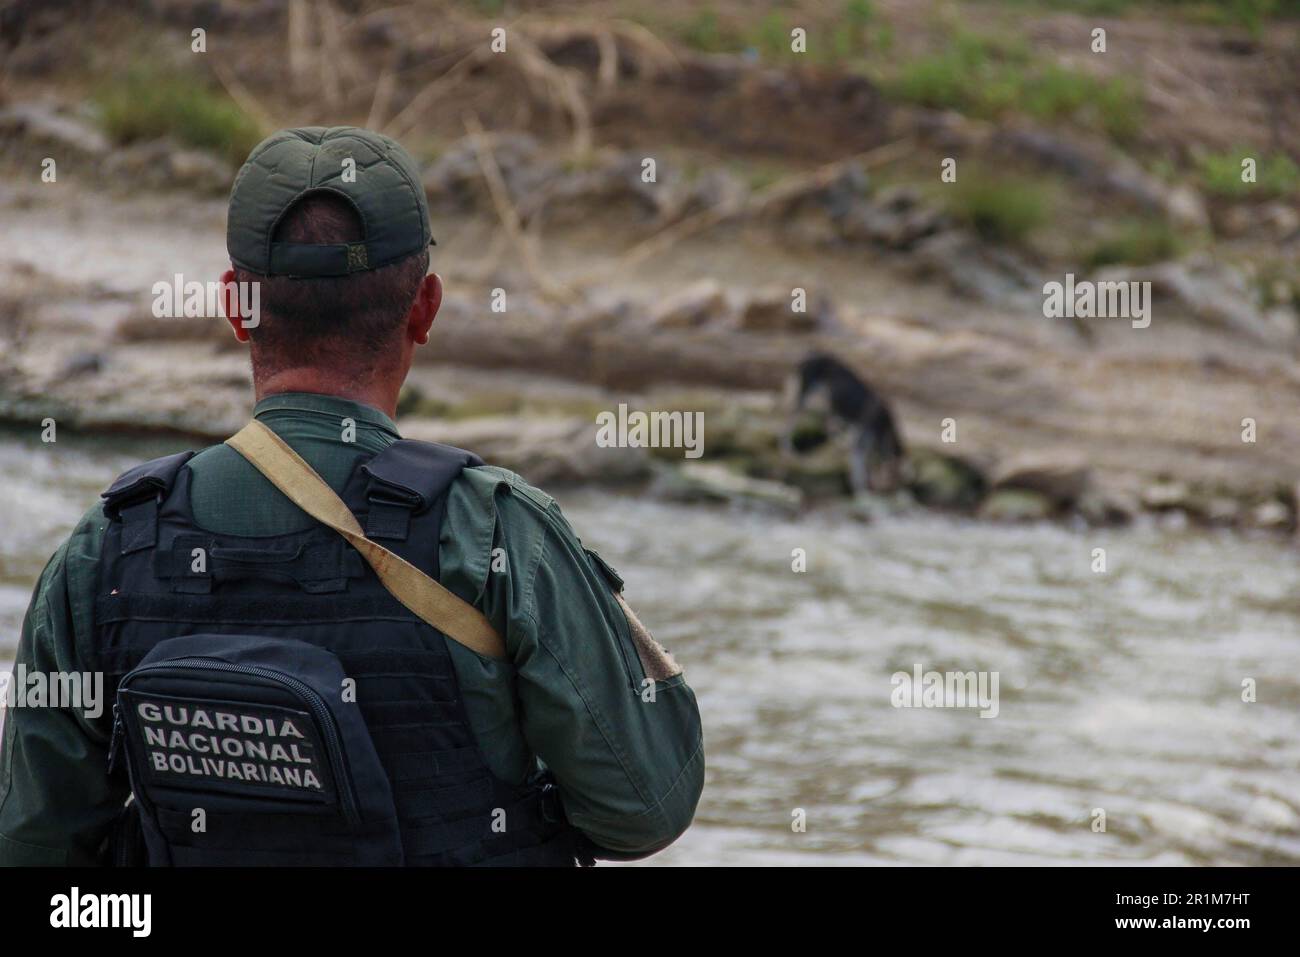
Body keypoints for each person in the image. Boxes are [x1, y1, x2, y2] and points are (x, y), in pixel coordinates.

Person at [0, 126, 704, 866]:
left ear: (237, 306)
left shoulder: (104, 549)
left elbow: (33, 845)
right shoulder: (494, 532)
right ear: (425, 309)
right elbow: (644, 808)